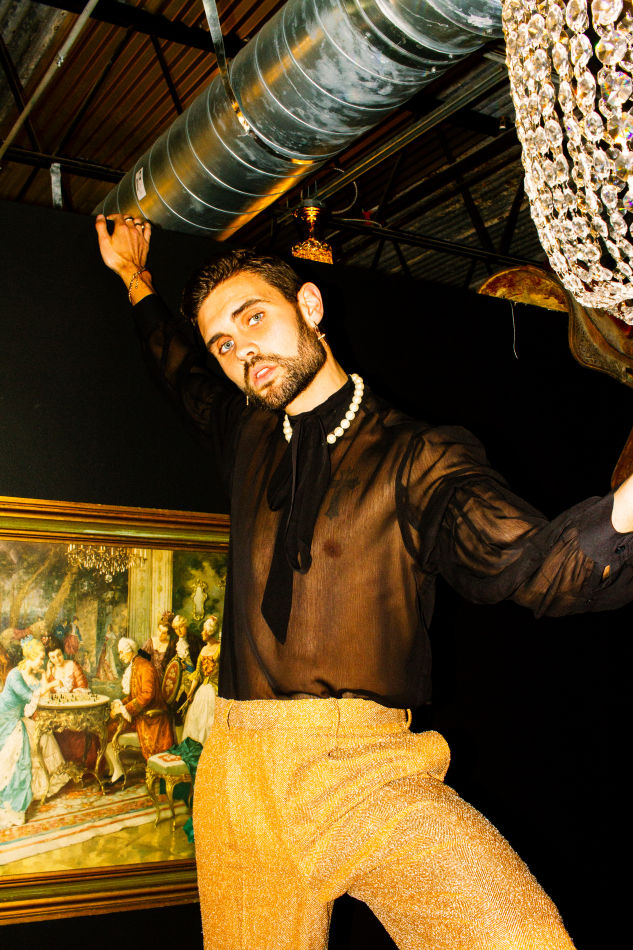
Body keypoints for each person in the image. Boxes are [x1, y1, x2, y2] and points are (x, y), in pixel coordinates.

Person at [96, 213, 633, 950]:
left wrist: (622, 510)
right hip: (238, 776)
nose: (240, 349)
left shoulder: (417, 454)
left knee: (519, 935)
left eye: (253, 317)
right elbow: (175, 366)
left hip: (367, 772)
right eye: (222, 342)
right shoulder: (244, 432)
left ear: (310, 306)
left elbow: (527, 563)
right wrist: (134, 278)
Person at [0, 638, 68, 828]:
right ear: (30, 657)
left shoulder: (31, 676)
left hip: (17, 717)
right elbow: (30, 696)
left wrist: (44, 677)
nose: (42, 662)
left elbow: (38, 697)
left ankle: (41, 788)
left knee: (44, 736)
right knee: (19, 756)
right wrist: (51, 684)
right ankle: (12, 804)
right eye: (40, 659)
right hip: (5, 719)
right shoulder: (15, 675)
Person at [104, 637, 174, 784]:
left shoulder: (144, 667)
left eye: (121, 652)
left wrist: (125, 709)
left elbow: (147, 695)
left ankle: (118, 770)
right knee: (107, 728)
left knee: (111, 728)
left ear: (130, 651)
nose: (120, 656)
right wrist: (119, 705)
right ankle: (116, 770)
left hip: (152, 719)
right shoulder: (135, 665)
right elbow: (133, 695)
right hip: (140, 715)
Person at [181, 615, 221, 746]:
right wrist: (191, 692)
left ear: (210, 632)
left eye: (204, 630)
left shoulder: (220, 648)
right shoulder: (203, 649)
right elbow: (198, 673)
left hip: (217, 691)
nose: (202, 633)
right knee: (197, 720)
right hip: (202, 691)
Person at [141, 615, 176, 682]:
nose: (160, 634)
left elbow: (173, 665)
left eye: (164, 633)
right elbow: (140, 659)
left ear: (168, 634)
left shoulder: (170, 646)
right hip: (149, 677)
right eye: (159, 630)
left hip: (163, 680)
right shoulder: (150, 642)